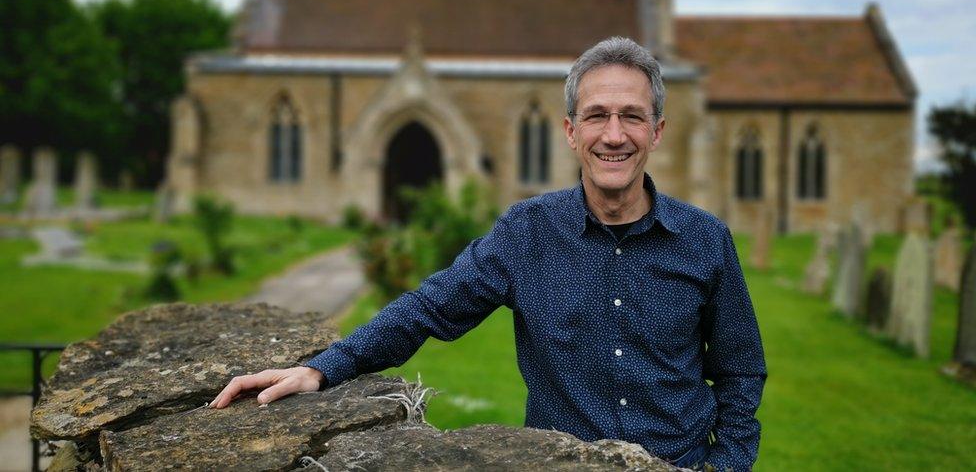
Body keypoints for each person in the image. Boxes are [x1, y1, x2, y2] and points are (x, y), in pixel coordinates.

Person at [211, 36, 767, 471]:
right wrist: (321, 370)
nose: (614, 134)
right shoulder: (527, 233)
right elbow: (430, 308)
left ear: (658, 131)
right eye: (597, 115)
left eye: (632, 116)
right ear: (571, 132)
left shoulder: (704, 241)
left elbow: (741, 371)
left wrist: (727, 464)